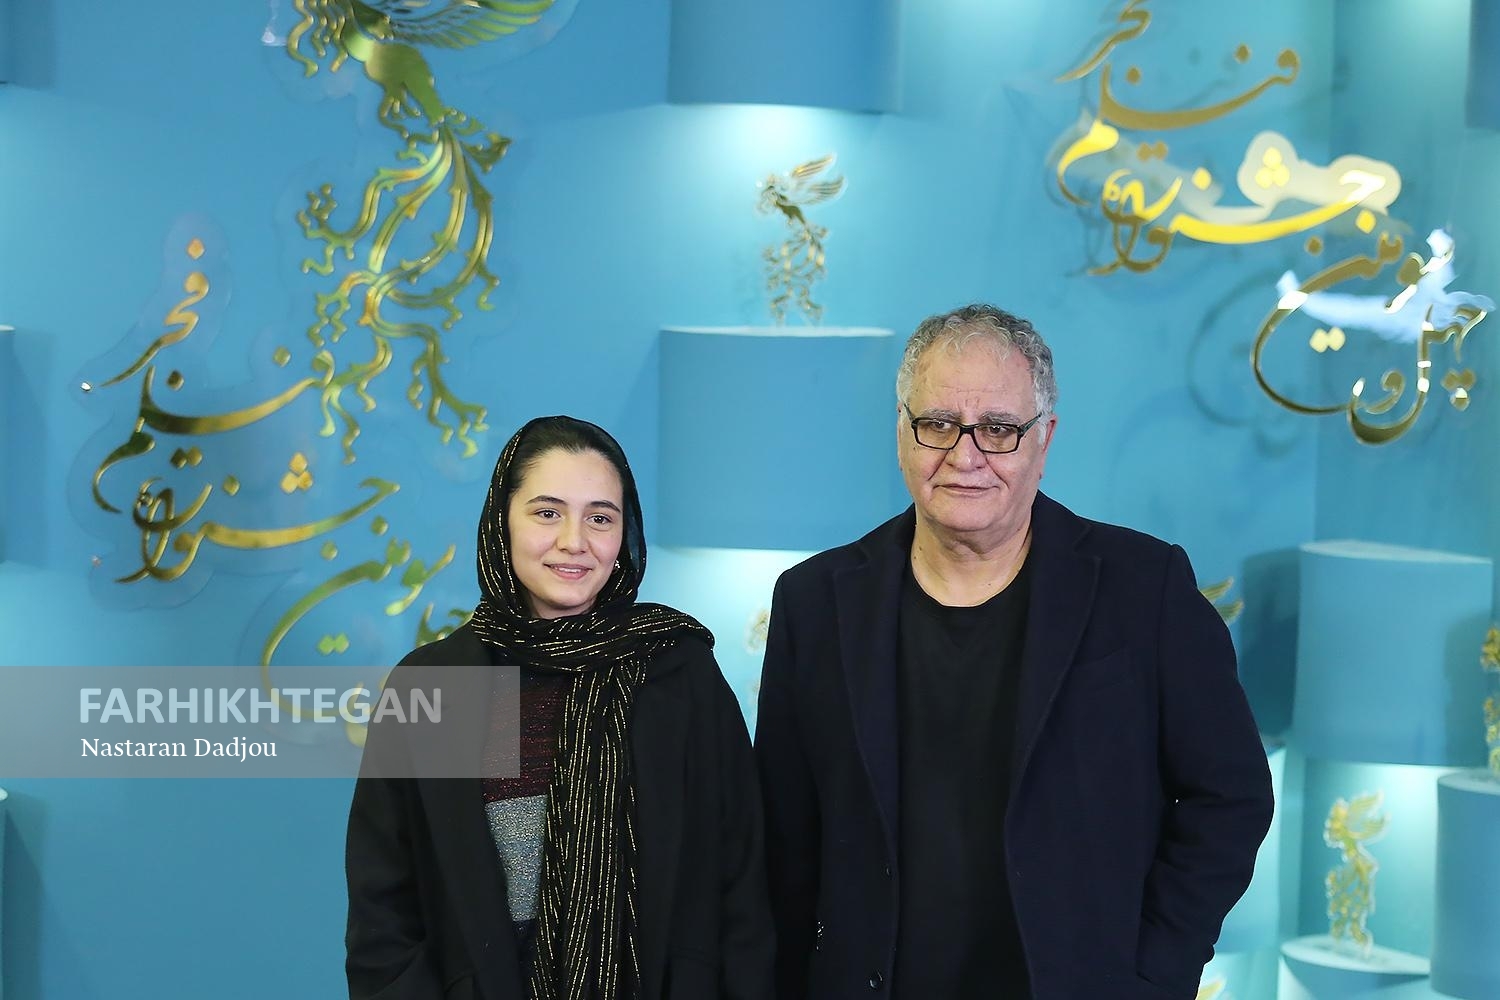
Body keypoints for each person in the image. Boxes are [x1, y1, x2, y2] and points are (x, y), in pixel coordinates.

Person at [754, 304, 1274, 999]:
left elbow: (1230, 797)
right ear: (902, 431)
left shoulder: (1143, 588)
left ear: (1044, 438)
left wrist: (1154, 970)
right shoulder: (814, 602)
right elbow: (783, 837)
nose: (964, 456)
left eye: (998, 430)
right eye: (938, 424)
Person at [346, 415, 774, 1000]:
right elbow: (384, 908)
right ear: (502, 521)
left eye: (600, 518)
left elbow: (742, 879)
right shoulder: (435, 684)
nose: (575, 541)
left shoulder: (677, 673)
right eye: (547, 513)